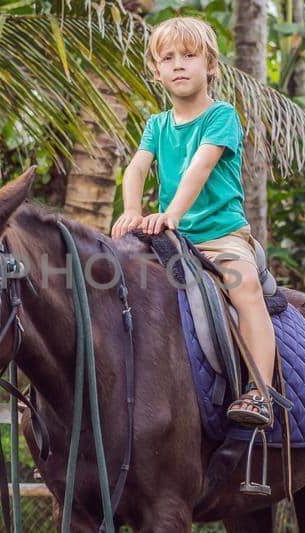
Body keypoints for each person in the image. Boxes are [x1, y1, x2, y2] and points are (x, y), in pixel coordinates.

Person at [109, 16, 278, 428]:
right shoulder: (156, 124)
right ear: (156, 70)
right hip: (174, 238)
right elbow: (135, 169)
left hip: (221, 236)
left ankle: (260, 391)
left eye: (189, 56)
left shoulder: (220, 116)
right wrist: (132, 209)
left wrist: (171, 215)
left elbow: (200, 168)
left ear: (211, 66)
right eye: (168, 58)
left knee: (247, 287)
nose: (178, 65)